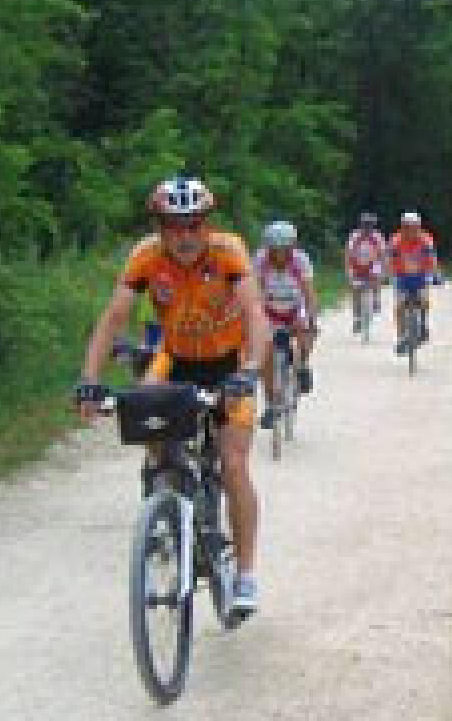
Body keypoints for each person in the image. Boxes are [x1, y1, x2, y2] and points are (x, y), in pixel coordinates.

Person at [73, 172, 270, 620]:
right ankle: (164, 494)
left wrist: (251, 369)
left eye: (194, 224)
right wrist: (88, 377)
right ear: (160, 227)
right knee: (144, 406)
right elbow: (115, 315)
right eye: (173, 225)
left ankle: (245, 573)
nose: (184, 235)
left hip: (229, 362)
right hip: (176, 357)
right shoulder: (147, 256)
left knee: (234, 462)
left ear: (208, 224)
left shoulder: (228, 252)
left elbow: (255, 312)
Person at [253, 220, 318, 428]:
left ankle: (303, 366)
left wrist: (312, 319)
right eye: (274, 249)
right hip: (270, 310)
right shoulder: (260, 260)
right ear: (268, 247)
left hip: (294, 308)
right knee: (265, 355)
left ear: (292, 247)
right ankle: (272, 404)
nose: (279, 254)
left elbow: (308, 292)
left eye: (284, 249)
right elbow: (255, 293)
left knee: (304, 330)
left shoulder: (300, 260)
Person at [388, 211, 441, 355]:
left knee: (423, 299)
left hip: (421, 275)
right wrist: (389, 274)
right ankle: (400, 339)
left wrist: (436, 274)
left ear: (419, 227)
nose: (410, 231)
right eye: (407, 227)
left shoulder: (426, 240)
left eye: (414, 227)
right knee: (399, 305)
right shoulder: (396, 240)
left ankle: (423, 324)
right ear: (402, 227)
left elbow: (432, 258)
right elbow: (390, 259)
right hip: (402, 276)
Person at [344, 212, 387, 333]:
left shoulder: (378, 237)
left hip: (372, 264)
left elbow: (383, 255)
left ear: (373, 226)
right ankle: (357, 318)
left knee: (377, 273)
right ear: (361, 225)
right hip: (357, 264)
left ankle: (376, 298)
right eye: (365, 225)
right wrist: (348, 270)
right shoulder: (354, 236)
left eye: (370, 225)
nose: (367, 228)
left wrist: (384, 270)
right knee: (355, 290)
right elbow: (348, 253)